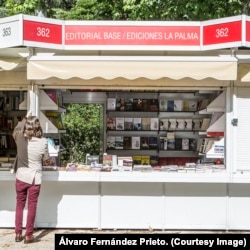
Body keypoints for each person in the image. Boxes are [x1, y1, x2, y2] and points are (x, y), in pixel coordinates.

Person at [12, 111, 50, 244]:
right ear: (39, 127)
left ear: (27, 126)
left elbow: (16, 129)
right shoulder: (44, 142)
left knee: (19, 205)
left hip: (21, 176)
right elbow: (46, 160)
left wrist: (25, 119)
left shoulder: (20, 138)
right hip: (34, 178)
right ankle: (28, 236)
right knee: (32, 206)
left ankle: (17, 234)